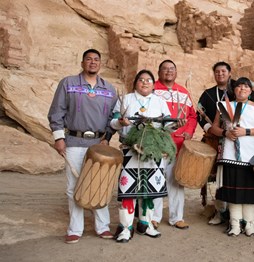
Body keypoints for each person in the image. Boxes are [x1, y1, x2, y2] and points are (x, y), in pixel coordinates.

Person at [48, 49, 117, 244]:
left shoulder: (110, 89)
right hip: (74, 141)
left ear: (100, 64)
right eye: (89, 59)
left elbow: (115, 117)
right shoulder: (68, 83)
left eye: (96, 60)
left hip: (99, 144)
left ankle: (102, 227)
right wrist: (59, 138)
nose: (93, 62)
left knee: (100, 184)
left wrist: (108, 137)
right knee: (74, 186)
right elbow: (56, 112)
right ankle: (75, 229)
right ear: (82, 63)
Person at [110, 69, 175, 242]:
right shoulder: (125, 99)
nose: (145, 82)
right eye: (141, 79)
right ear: (135, 83)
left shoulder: (159, 101)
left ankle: (145, 225)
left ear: (153, 84)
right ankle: (126, 227)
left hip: (153, 151)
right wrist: (120, 122)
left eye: (148, 80)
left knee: (150, 190)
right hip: (130, 149)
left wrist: (175, 124)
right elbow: (113, 121)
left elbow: (168, 125)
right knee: (128, 190)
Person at [210, 77, 254, 237]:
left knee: (250, 190)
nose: (242, 89)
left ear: (250, 90)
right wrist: (225, 133)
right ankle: (235, 223)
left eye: (246, 86)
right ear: (234, 89)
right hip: (229, 154)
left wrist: (247, 132)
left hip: (250, 156)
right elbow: (214, 128)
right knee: (233, 190)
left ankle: (250, 223)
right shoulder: (224, 106)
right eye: (239, 86)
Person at [152, 60, 197, 230]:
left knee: (176, 181)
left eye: (172, 69)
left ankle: (176, 217)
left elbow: (192, 116)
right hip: (157, 143)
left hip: (178, 145)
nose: (168, 72)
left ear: (176, 73)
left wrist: (189, 132)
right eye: (165, 69)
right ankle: (154, 217)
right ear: (159, 72)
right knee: (155, 180)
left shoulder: (183, 92)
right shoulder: (153, 90)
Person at [197, 61, 233, 225]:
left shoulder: (239, 90)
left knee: (234, 176)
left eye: (223, 71)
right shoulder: (207, 93)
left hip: (234, 141)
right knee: (218, 176)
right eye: (217, 72)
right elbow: (199, 113)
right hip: (214, 139)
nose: (220, 74)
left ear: (229, 73)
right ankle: (220, 211)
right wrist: (209, 128)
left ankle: (235, 213)